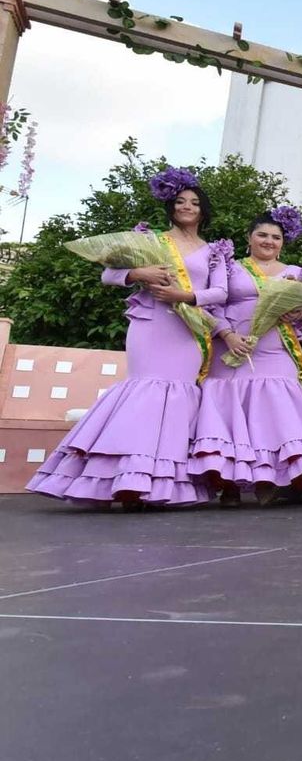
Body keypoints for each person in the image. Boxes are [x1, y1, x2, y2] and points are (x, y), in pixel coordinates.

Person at [28, 169, 229, 507]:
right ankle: (127, 482)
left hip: (189, 331)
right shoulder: (151, 242)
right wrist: (138, 273)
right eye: (180, 201)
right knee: (142, 392)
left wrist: (183, 297)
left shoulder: (214, 251)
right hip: (151, 325)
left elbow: (220, 292)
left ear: (203, 210)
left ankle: (163, 484)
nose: (187, 206)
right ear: (170, 206)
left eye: (194, 202)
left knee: (177, 400)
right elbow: (109, 274)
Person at [190, 208, 302, 506]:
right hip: (232, 346)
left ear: (283, 242)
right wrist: (226, 334)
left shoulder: (295, 271)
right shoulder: (230, 267)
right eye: (262, 235)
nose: (269, 241)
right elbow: (211, 303)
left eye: (275, 237)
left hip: (275, 348)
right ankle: (228, 483)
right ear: (249, 238)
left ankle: (268, 479)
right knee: (231, 411)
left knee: (273, 411)